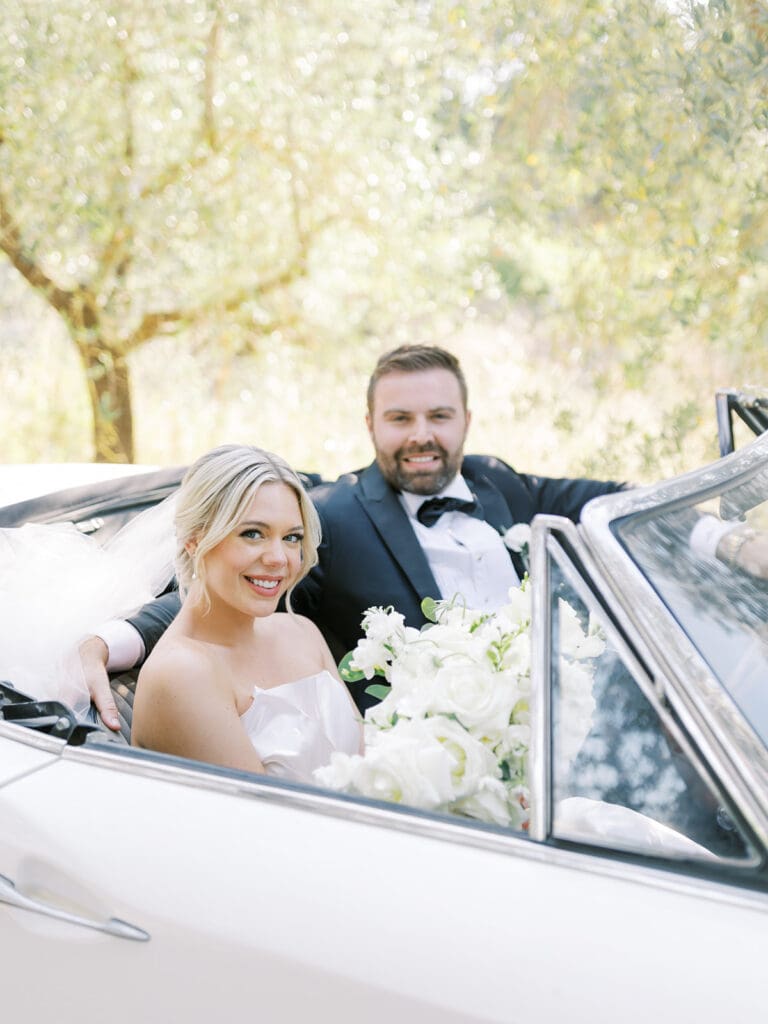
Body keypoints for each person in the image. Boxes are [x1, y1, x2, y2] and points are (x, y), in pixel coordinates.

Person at [82, 343, 628, 723]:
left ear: (466, 419)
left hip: (566, 726)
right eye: (400, 419)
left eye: (439, 416)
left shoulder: (500, 483)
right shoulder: (335, 518)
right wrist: (111, 640)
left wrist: (706, 534)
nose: (421, 436)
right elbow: (217, 587)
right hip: (432, 758)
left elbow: (610, 499)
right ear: (370, 424)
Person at [131, 444, 361, 780]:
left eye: (292, 537)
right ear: (195, 540)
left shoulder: (302, 632)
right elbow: (265, 820)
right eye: (253, 534)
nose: (278, 559)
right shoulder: (181, 672)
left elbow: (369, 766)